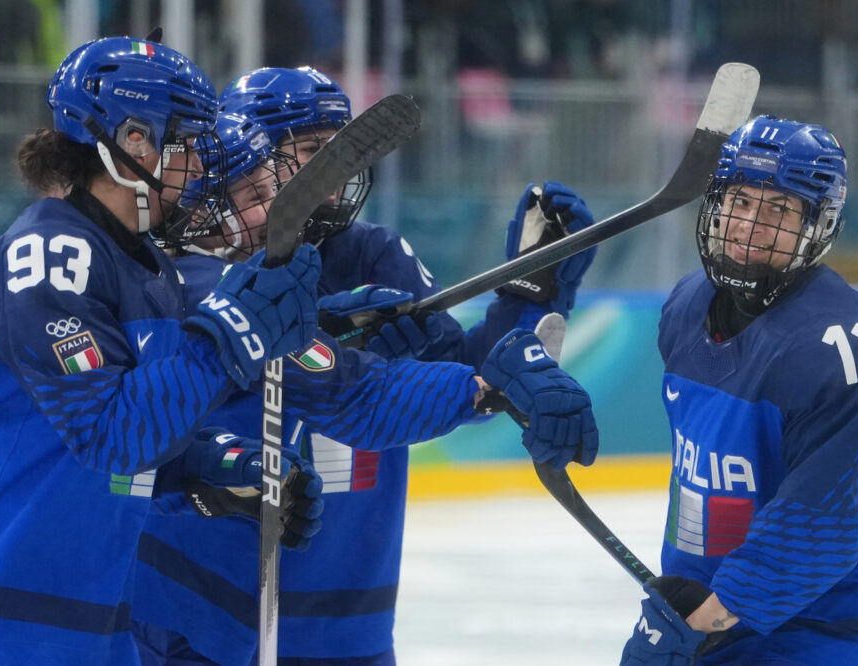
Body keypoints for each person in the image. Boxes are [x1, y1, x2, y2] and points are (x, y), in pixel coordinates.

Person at [132, 68, 600, 666]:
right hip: (211, 609)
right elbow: (356, 388)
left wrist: (528, 298)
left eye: (344, 153)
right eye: (311, 154)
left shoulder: (370, 251)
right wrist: (345, 337)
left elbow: (464, 373)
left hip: (348, 611)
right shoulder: (186, 276)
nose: (334, 180)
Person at [0, 37, 322, 664]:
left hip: (102, 619)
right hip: (14, 620)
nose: (199, 163)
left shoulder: (147, 266)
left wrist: (220, 469)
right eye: (187, 142)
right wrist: (232, 332)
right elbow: (108, 435)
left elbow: (137, 452)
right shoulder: (50, 254)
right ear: (133, 141)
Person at [618, 115, 858, 666]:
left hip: (827, 629)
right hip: (710, 613)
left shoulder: (834, 339)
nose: (750, 224)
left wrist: (692, 630)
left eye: (779, 209)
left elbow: (818, 528)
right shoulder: (686, 306)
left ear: (817, 225)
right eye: (741, 200)